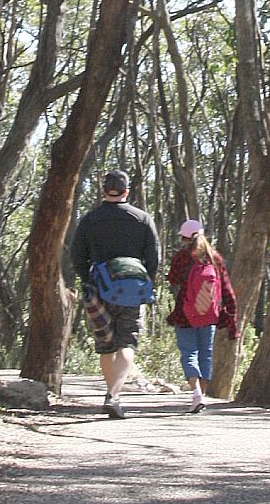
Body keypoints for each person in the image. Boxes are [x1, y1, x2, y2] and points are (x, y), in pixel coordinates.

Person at [71, 170, 160, 419]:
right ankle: (114, 395)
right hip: (133, 289)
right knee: (127, 342)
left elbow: (77, 254)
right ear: (126, 192)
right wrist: (144, 282)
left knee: (106, 345)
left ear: (103, 190)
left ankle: (113, 394)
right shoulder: (142, 219)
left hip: (100, 288)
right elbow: (154, 257)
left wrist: (87, 279)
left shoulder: (90, 219)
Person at [166, 219, 238, 413]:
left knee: (189, 352)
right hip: (209, 315)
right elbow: (226, 289)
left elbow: (172, 278)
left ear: (184, 237)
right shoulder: (215, 258)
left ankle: (196, 393)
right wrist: (232, 320)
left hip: (184, 314)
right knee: (206, 353)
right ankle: (201, 396)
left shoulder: (182, 257)